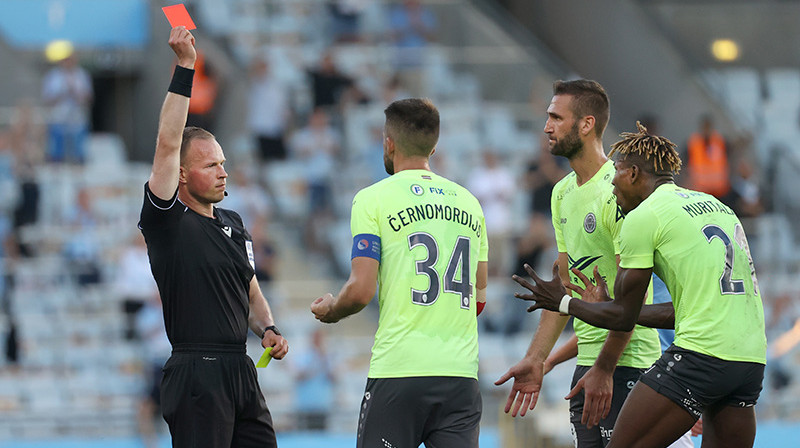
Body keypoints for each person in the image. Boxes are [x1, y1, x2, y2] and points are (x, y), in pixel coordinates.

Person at [514, 122, 766, 447]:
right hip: (750, 359)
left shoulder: (643, 216)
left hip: (701, 355)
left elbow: (623, 317)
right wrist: (604, 307)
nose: (612, 185)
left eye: (616, 173)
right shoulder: (719, 208)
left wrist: (564, 303)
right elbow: (679, 312)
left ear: (633, 173)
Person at [138, 27, 289, 448]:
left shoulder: (234, 222)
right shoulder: (167, 220)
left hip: (240, 368)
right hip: (195, 368)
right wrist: (186, 65)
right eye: (210, 165)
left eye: (223, 162)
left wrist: (268, 328)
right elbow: (168, 144)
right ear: (182, 175)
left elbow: (249, 286)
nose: (223, 171)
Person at [311, 98, 488, 448]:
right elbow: (479, 300)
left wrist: (332, 311)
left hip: (400, 371)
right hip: (460, 376)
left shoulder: (373, 199)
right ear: (434, 147)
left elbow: (361, 291)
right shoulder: (470, 203)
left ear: (388, 143)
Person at [494, 80, 661, 447]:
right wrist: (536, 359)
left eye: (556, 117)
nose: (546, 126)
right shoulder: (562, 193)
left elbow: (634, 298)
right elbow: (565, 290)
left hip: (626, 366)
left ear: (586, 124)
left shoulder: (618, 190)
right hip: (589, 367)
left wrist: (606, 368)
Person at [41, 50, 93, 164]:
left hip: (77, 118)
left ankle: (79, 174)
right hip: (58, 117)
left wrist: (75, 93)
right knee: (56, 151)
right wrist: (62, 93)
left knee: (78, 150)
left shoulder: (82, 75)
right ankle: (57, 174)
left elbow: (88, 97)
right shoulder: (53, 76)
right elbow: (47, 98)